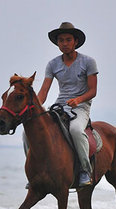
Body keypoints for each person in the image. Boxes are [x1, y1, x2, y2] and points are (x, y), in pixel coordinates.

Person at [26, 22, 98, 187]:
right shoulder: (53, 64)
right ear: (57, 43)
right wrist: (34, 107)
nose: (64, 43)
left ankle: (85, 171)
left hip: (81, 107)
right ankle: (33, 173)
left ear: (75, 42)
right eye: (61, 40)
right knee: (28, 133)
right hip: (59, 106)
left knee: (75, 130)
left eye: (68, 40)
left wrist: (78, 100)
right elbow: (43, 92)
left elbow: (93, 91)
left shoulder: (88, 62)